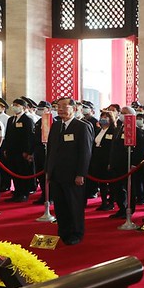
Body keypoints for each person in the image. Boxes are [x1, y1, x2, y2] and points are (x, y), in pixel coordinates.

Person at [46, 98, 93, 245]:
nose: (60, 109)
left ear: (73, 108)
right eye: (57, 107)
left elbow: (85, 153)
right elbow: (51, 150)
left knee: (74, 205)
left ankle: (76, 233)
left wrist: (81, 174)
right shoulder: (56, 126)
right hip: (56, 173)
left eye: (63, 106)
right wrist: (48, 170)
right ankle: (63, 231)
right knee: (60, 205)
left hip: (73, 175)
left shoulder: (81, 127)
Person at [0, 97, 35, 202]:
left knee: (22, 173)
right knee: (14, 172)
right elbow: (8, 135)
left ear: (24, 108)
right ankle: (17, 192)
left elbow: (30, 137)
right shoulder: (11, 119)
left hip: (22, 152)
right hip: (11, 151)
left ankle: (24, 193)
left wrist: (28, 152)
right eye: (13, 105)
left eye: (17, 106)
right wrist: (5, 148)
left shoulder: (27, 120)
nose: (15, 108)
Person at [91, 110, 116, 211]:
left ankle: (111, 202)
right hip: (98, 159)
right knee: (101, 182)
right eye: (102, 117)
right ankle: (104, 201)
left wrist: (111, 162)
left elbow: (112, 148)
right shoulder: (98, 130)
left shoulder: (113, 130)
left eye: (106, 118)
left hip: (107, 159)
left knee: (110, 182)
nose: (103, 119)